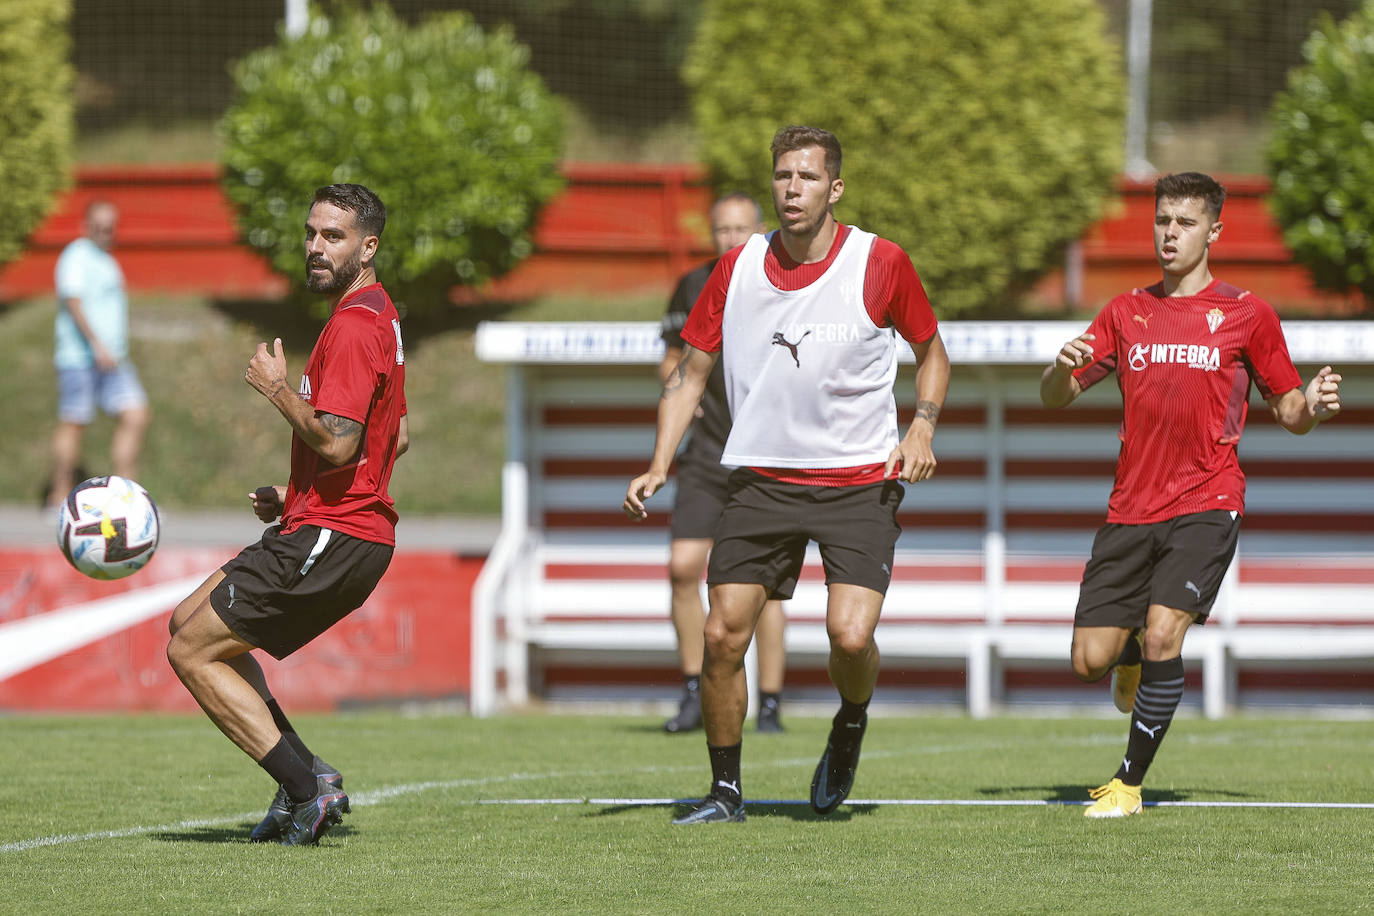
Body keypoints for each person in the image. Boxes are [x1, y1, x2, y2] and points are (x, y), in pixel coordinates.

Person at [624, 125, 951, 824]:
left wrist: (921, 422)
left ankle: (851, 719)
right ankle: (724, 793)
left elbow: (933, 354)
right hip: (761, 482)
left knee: (851, 637)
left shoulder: (880, 261)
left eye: (805, 178)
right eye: (782, 177)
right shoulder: (736, 268)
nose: (791, 189)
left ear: (834, 188)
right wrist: (659, 463)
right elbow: (690, 374)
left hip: (859, 479)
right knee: (721, 635)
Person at [1040, 171, 1342, 819]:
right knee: (1088, 661)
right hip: (1130, 508)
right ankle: (1124, 660)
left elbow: (1289, 410)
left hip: (1208, 501)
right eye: (1162, 221)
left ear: (1214, 231)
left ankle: (1127, 783)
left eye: (1183, 223)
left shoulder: (1248, 313)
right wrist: (1058, 371)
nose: (1169, 233)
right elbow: (1055, 396)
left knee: (1162, 634)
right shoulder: (1125, 311)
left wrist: (1312, 404)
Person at [166, 183, 409, 846]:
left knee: (191, 651)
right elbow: (397, 435)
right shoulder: (379, 314)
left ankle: (304, 791)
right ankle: (312, 777)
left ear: (369, 246)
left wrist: (276, 390)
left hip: (339, 532)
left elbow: (338, 441)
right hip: (330, 522)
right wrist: (297, 490)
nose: (314, 248)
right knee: (189, 622)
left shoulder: (356, 327)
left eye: (332, 237)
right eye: (310, 233)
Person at [658, 192, 788, 735]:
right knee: (684, 567)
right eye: (721, 229)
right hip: (709, 453)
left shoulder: (782, 280)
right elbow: (672, 357)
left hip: (767, 455)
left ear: (760, 229)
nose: (731, 238)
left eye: (741, 228)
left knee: (769, 586)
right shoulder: (693, 284)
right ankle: (694, 690)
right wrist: (680, 392)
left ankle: (771, 702)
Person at [48, 201, 150, 507]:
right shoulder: (76, 255)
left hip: (114, 359)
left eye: (110, 226)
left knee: (135, 414)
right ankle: (58, 496)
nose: (105, 232)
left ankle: (127, 497)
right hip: (80, 357)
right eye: (99, 226)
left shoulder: (108, 261)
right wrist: (95, 343)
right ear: (86, 225)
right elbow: (73, 301)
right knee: (74, 421)